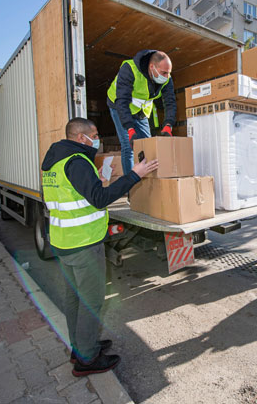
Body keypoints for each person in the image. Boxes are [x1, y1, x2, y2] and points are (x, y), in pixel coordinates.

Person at [41, 118, 159, 376]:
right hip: (83, 243)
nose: (97, 139)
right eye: (94, 135)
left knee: (74, 298)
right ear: (80, 137)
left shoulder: (55, 161)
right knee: (91, 300)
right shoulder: (78, 162)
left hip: (64, 241)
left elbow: (72, 195)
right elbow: (99, 199)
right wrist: (134, 175)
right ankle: (87, 359)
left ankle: (81, 346)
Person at [107, 50, 176, 175]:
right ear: (152, 67)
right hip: (119, 106)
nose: (166, 77)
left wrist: (168, 125)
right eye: (163, 73)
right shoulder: (129, 69)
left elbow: (170, 102)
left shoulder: (166, 78)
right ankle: (131, 187)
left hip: (141, 111)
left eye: (168, 73)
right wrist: (130, 129)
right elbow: (122, 101)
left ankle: (148, 183)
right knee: (129, 147)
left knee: (146, 145)